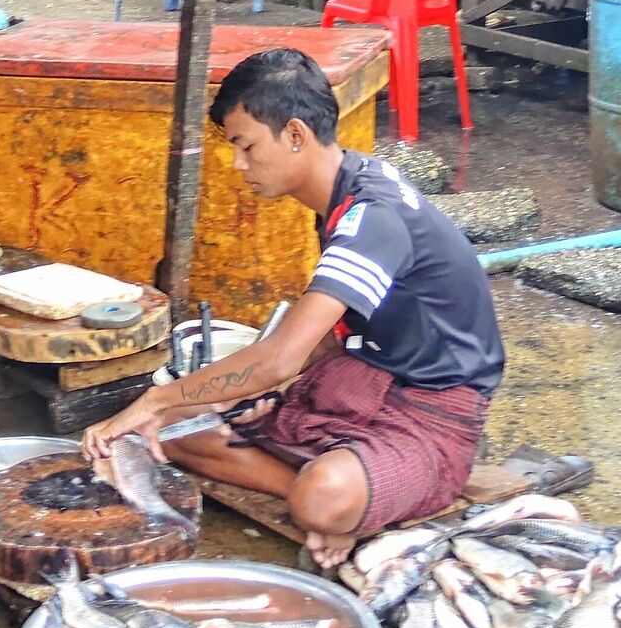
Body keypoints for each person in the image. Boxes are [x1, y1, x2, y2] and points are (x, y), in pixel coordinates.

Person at [82, 48, 505, 568]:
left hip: (435, 409)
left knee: (317, 494)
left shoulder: (374, 218)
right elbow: (321, 338)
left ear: (296, 135)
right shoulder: (343, 191)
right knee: (169, 429)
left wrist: (157, 400)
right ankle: (313, 486)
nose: (239, 165)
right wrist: (256, 389)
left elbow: (281, 357)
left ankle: (327, 497)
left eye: (246, 146)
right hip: (365, 375)